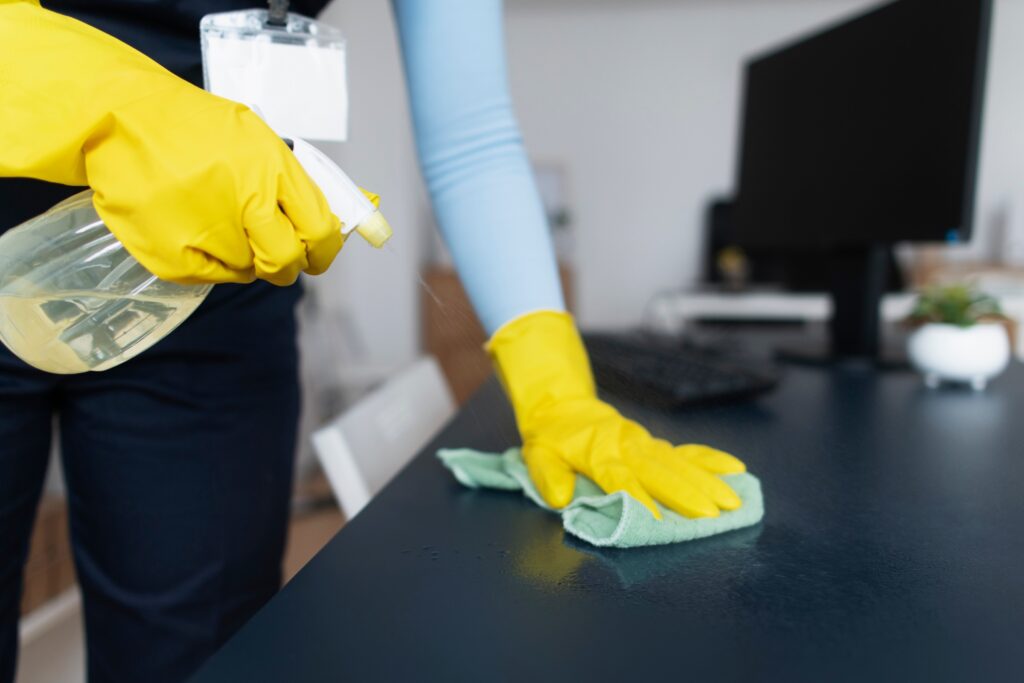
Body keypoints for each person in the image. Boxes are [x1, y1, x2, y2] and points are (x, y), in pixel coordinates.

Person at [0, 1, 748, 681]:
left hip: (215, 283)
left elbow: (472, 134)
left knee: (199, 655)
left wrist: (556, 387)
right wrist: (110, 105)